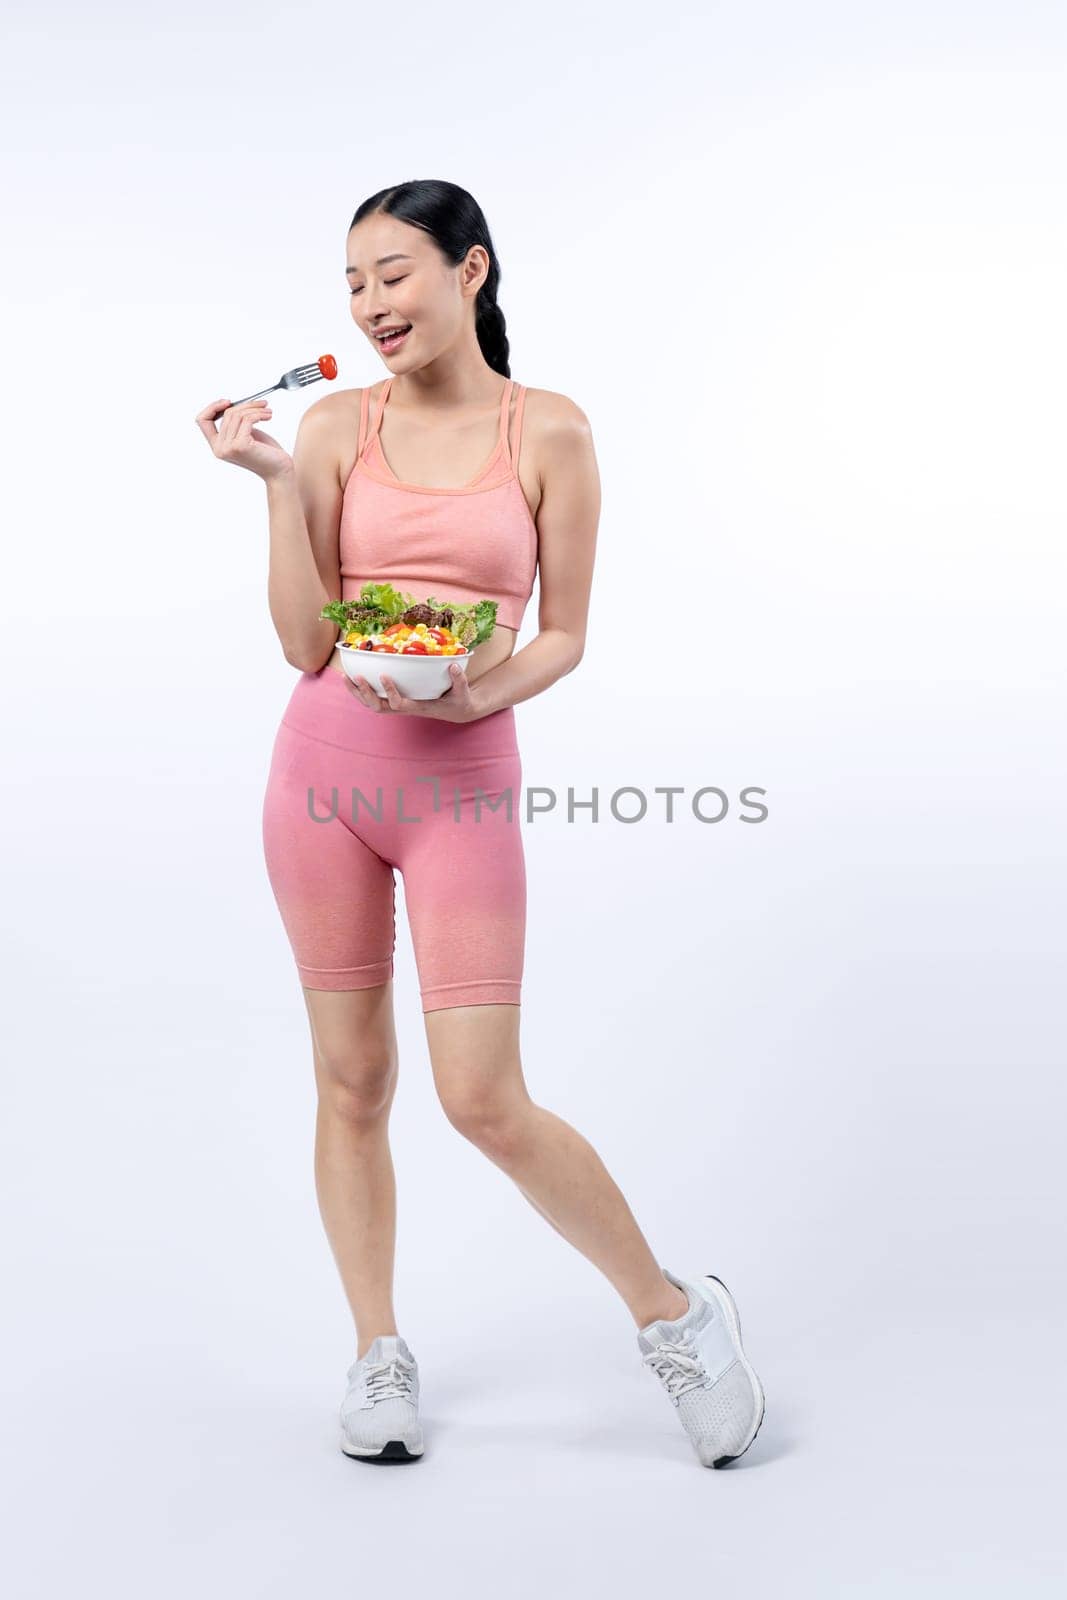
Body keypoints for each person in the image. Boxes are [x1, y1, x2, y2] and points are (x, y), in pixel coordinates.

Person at [195, 179, 764, 1469]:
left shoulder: (549, 430)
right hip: (321, 782)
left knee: (480, 1097)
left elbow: (563, 630)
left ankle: (678, 1318)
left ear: (474, 272)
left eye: (394, 273)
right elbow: (304, 643)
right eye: (351, 282)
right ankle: (377, 1354)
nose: (369, 303)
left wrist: (475, 691)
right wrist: (276, 482)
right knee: (352, 1080)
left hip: (463, 787)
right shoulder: (335, 423)